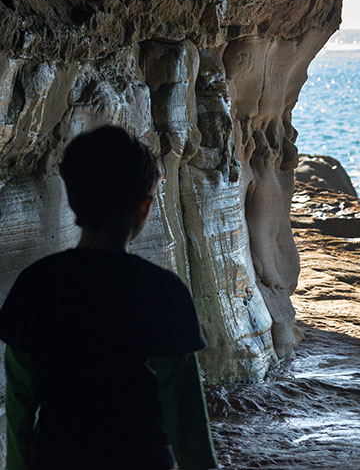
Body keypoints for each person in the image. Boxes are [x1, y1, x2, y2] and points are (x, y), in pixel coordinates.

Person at [0, 126, 219, 470]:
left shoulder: (35, 285)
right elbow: (186, 422)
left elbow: (19, 407)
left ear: (72, 199)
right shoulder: (163, 291)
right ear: (144, 207)